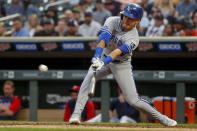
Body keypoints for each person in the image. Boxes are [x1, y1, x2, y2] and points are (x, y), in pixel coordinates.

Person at [69, 3, 177, 126]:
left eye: (130, 18)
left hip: (121, 65)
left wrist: (102, 63)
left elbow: (117, 52)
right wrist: (96, 57)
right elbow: (103, 39)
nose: (126, 20)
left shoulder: (134, 38)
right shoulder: (112, 21)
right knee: (87, 80)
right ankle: (76, 115)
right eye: (125, 16)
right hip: (103, 56)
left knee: (133, 100)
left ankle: (162, 118)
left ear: (138, 20)